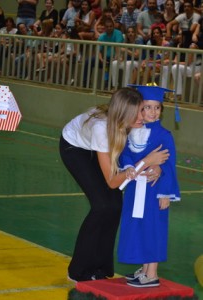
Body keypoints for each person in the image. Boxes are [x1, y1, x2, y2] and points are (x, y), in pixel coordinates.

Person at [59, 87, 170, 282]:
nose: (142, 117)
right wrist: (145, 162)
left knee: (115, 206)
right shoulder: (101, 129)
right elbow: (112, 182)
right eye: (137, 113)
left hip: (104, 149)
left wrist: (157, 167)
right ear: (123, 114)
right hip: (76, 149)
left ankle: (101, 269)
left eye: (142, 110)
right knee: (102, 206)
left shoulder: (136, 122)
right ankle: (78, 271)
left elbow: (147, 154)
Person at [117, 85, 180, 287]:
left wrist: (165, 193)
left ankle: (152, 273)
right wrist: (128, 167)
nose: (152, 112)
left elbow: (169, 165)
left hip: (154, 191)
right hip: (136, 188)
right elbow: (126, 153)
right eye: (147, 108)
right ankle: (144, 269)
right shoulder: (132, 131)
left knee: (153, 229)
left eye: (157, 108)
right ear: (138, 109)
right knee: (140, 228)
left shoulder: (164, 135)